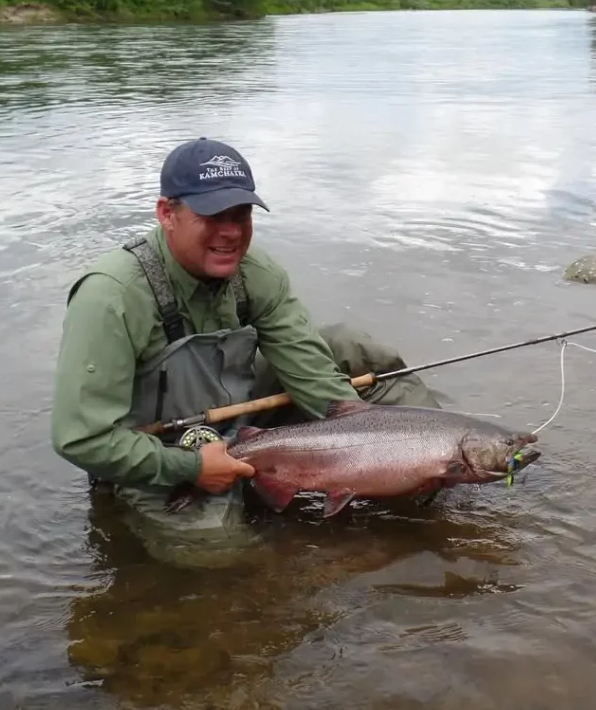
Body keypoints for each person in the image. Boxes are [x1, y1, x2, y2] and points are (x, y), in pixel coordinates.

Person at [50, 137, 440, 562]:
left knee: (350, 348)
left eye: (241, 214)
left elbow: (311, 372)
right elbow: (83, 440)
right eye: (212, 215)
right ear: (167, 213)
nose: (232, 232)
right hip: (154, 451)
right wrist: (192, 469)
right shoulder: (111, 296)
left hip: (237, 418)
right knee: (221, 554)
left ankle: (437, 472)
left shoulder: (256, 273)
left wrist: (370, 450)